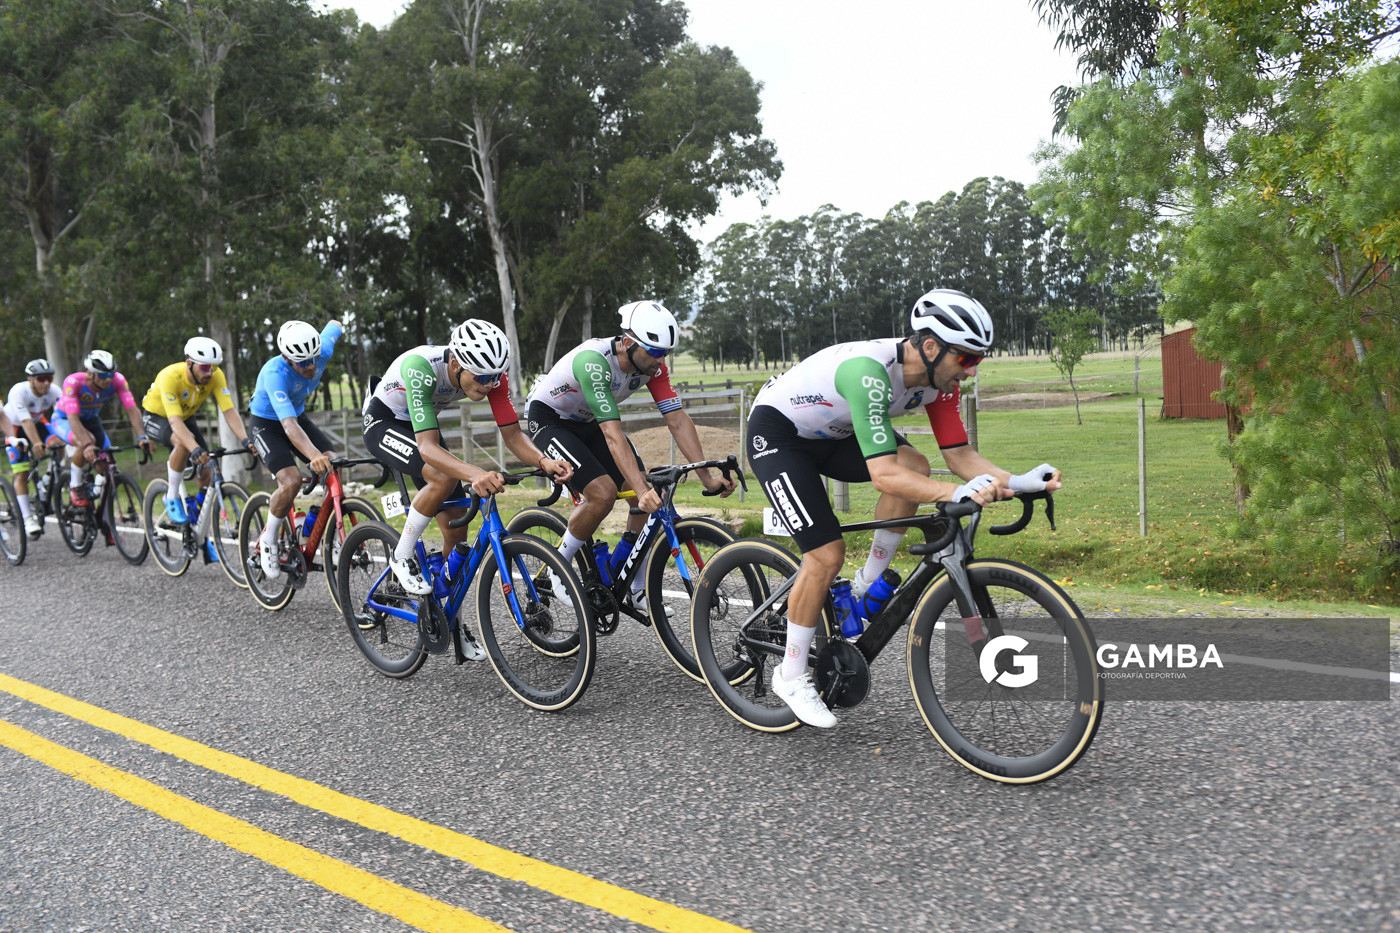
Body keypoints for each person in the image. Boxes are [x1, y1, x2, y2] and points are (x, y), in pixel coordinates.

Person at [745, 288, 1062, 728]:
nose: (970, 373)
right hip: (779, 435)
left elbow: (959, 456)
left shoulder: (938, 382)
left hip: (832, 438)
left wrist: (1019, 480)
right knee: (825, 552)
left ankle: (863, 587)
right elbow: (883, 477)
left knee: (913, 462)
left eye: (978, 362)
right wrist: (955, 493)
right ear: (931, 347)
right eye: (966, 360)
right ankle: (791, 675)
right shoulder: (869, 372)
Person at [524, 301, 734, 603]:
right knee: (604, 493)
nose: (661, 361)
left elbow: (676, 420)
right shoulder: (594, 362)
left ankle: (633, 584)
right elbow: (612, 433)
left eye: (666, 354)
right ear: (629, 342)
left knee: (644, 494)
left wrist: (707, 477)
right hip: (550, 419)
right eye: (655, 352)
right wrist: (639, 485)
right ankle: (559, 567)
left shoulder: (652, 367)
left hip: (587, 421)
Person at [362, 319, 573, 606]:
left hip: (420, 424)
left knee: (457, 530)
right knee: (442, 474)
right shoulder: (421, 367)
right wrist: (475, 473)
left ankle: (450, 621)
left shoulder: (492, 375)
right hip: (384, 422)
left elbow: (512, 435)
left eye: (496, 377)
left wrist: (544, 460)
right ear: (455, 365)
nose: (490, 384)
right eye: (483, 377)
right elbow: (426, 448)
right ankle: (402, 554)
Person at [246, 320, 344, 582]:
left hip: (298, 417)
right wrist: (313, 456)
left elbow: (335, 325)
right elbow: (288, 427)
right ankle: (268, 540)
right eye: (303, 363)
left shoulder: (321, 350)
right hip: (268, 424)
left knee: (336, 464)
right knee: (291, 481)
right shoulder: (274, 373)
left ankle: (335, 534)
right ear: (287, 358)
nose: (311, 367)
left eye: (313, 359)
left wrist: (336, 323)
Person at [140, 337, 257, 553]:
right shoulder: (169, 377)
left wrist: (246, 440)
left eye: (213, 367)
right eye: (204, 367)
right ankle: (172, 497)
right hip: (157, 417)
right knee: (185, 445)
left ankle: (196, 526)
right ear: (189, 364)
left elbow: (229, 411)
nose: (209, 373)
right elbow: (174, 423)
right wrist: (194, 448)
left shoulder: (215, 376)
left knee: (206, 475)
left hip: (185, 416)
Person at [51, 351, 155, 508]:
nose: (107, 379)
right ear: (90, 374)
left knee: (106, 463)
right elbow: (73, 418)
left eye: (110, 374)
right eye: (102, 375)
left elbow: (132, 409)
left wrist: (142, 436)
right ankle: (75, 485)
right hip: (65, 419)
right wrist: (87, 444)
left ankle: (98, 499)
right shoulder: (74, 382)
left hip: (91, 420)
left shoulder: (118, 380)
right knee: (87, 442)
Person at [4, 359, 66, 536]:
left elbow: (63, 414)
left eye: (49, 378)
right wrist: (37, 443)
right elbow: (25, 421)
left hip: (38, 422)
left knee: (59, 443)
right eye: (41, 379)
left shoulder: (54, 390)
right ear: (30, 380)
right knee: (21, 473)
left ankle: (47, 478)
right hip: (16, 428)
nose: (46, 383)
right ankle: (27, 518)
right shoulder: (18, 391)